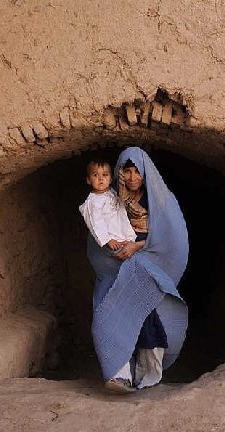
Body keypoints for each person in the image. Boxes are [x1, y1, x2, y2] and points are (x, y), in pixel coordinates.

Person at [85, 147, 189, 394]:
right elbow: (97, 238)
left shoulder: (161, 201)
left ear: (145, 173)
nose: (132, 177)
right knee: (106, 316)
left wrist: (137, 247)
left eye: (137, 171)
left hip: (149, 270)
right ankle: (118, 376)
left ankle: (148, 378)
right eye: (126, 171)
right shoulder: (109, 201)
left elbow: (170, 238)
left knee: (149, 323)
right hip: (114, 271)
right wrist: (114, 252)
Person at [78, 159, 137, 254]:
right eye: (95, 175)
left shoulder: (111, 192)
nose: (100, 178)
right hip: (112, 240)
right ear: (89, 180)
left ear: (110, 180)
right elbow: (96, 224)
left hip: (122, 234)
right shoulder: (93, 202)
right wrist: (107, 240)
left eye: (105, 175)